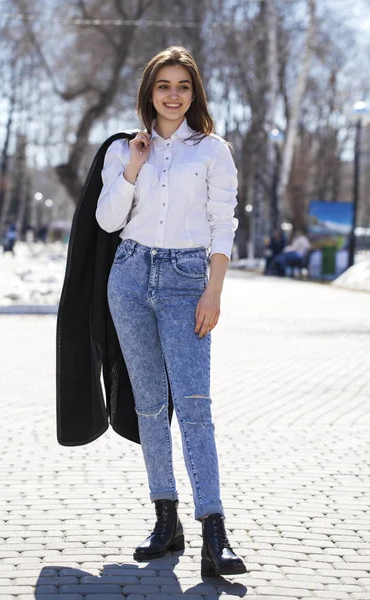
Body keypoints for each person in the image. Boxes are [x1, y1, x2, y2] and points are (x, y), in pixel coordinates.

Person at [95, 46, 246, 577]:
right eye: (164, 85)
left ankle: (215, 529)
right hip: (130, 277)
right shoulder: (124, 150)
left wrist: (214, 290)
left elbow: (222, 224)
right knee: (151, 408)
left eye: (183, 85)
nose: (174, 95)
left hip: (187, 280)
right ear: (149, 91)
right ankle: (166, 519)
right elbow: (109, 221)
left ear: (194, 91)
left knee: (195, 405)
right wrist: (134, 166)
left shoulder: (212, 150)